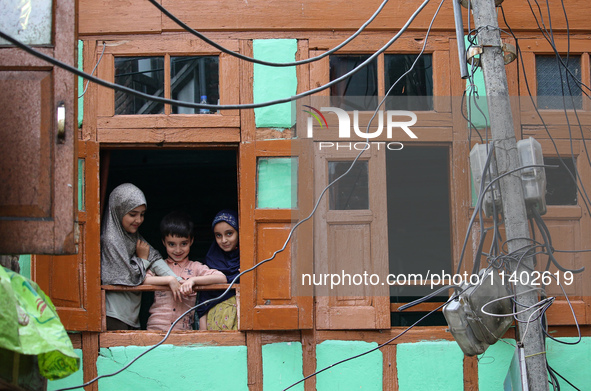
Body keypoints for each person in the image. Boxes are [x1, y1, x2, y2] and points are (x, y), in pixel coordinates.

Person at [100, 183, 184, 330]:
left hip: (131, 314)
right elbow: (127, 277)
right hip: (114, 314)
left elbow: (154, 258)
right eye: (133, 214)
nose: (139, 220)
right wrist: (143, 260)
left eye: (142, 214)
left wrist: (178, 281)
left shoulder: (133, 236)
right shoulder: (110, 240)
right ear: (118, 210)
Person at [145, 211, 226, 331]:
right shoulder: (159, 266)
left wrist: (193, 280)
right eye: (172, 244)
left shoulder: (195, 267)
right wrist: (169, 280)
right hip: (155, 328)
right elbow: (144, 280)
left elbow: (221, 278)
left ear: (191, 241)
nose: (178, 250)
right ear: (163, 242)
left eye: (183, 244)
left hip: (183, 330)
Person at [196, 210, 240, 330]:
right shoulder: (211, 261)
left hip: (240, 325)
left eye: (229, 233)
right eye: (218, 235)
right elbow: (204, 300)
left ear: (239, 232)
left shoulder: (248, 261)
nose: (224, 240)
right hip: (213, 325)